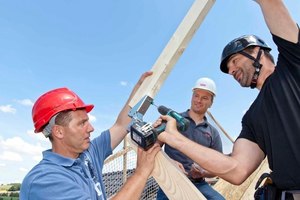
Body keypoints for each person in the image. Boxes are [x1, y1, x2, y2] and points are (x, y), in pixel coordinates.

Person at [157, 0, 300, 199]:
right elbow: (236, 169)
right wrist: (174, 138)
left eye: (234, 61)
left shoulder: (293, 64)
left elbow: (272, 3)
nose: (231, 71)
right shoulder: (252, 118)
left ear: (258, 52)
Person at [20, 71, 161, 200]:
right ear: (59, 132)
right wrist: (142, 172)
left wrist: (140, 89)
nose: (91, 128)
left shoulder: (88, 154)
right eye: (82, 123)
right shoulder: (45, 181)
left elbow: (121, 125)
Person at [156, 77, 225, 200]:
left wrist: (203, 173)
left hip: (198, 184)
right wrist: (169, 162)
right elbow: (154, 148)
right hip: (170, 179)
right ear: (191, 97)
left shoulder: (213, 133)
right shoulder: (172, 120)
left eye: (204, 98)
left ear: (211, 103)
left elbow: (218, 168)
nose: (199, 100)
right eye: (196, 95)